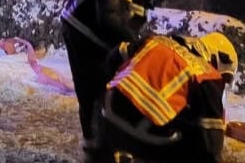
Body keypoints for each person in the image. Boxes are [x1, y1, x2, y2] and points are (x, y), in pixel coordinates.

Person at [60, 0, 189, 162]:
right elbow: (110, 17)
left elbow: (129, 18)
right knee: (93, 91)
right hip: (83, 33)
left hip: (99, 35)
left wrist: (140, 43)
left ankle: (109, 146)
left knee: (111, 90)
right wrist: (137, 46)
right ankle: (96, 152)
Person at [96, 32, 237, 163]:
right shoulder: (205, 73)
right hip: (139, 131)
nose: (221, 82)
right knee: (196, 140)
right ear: (217, 59)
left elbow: (113, 58)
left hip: (105, 115)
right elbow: (212, 148)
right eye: (224, 77)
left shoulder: (156, 40)